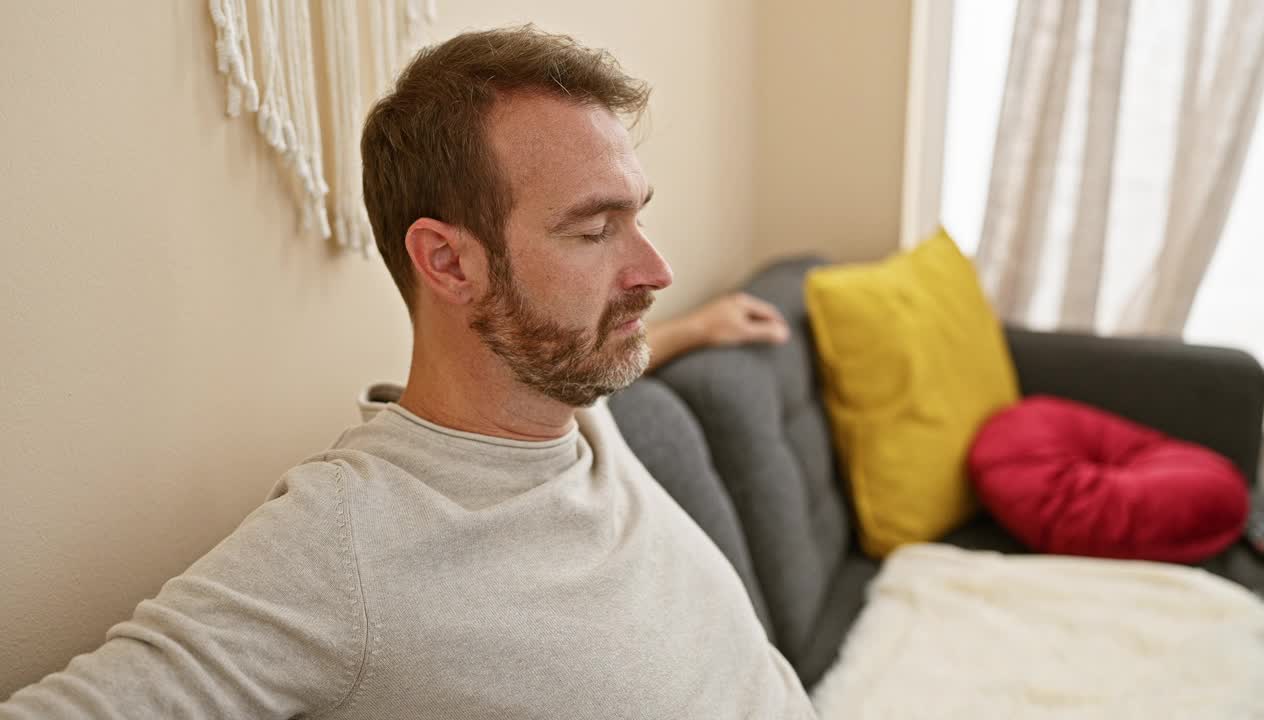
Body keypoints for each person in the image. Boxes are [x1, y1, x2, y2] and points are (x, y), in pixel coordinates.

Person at [0, 26, 816, 719]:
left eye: (637, 215)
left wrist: (697, 330)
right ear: (448, 263)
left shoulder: (568, 397)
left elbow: (609, 343)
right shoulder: (349, 540)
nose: (656, 267)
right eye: (596, 230)